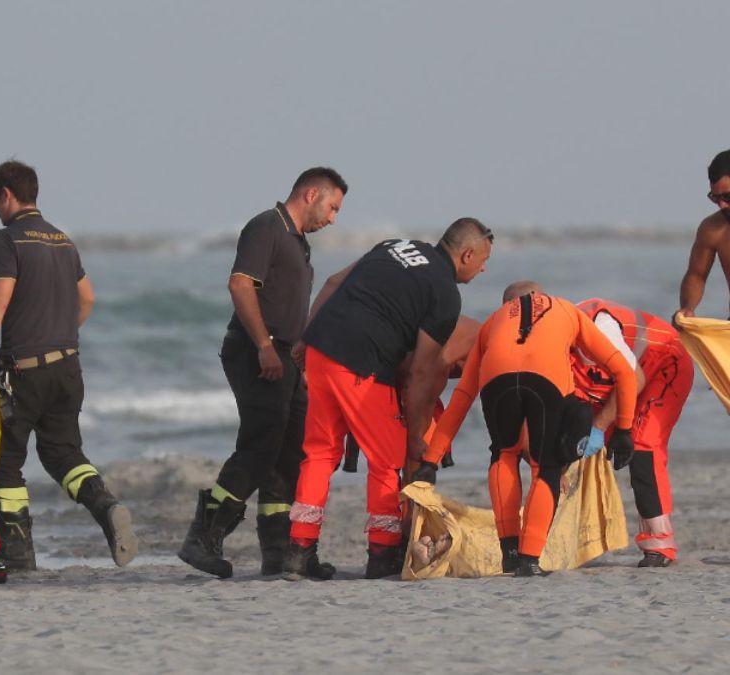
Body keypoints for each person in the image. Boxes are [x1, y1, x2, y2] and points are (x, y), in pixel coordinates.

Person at [283, 219, 493, 580]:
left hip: (320, 349)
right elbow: (424, 371)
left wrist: (307, 335)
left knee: (319, 453)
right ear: (467, 254)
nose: (483, 268)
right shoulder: (445, 294)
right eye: (483, 260)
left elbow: (334, 282)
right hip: (362, 364)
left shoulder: (394, 246)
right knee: (386, 460)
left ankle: (299, 552)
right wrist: (415, 437)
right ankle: (382, 555)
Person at [0, 159, 136, 571]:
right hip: (68, 367)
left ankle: (18, 554)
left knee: (6, 461)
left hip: (25, 371)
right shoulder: (62, 241)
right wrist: (60, 335)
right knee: (64, 454)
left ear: (6, 194)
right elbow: (87, 298)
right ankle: (105, 506)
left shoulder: (7, 240)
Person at [177, 167, 347, 579]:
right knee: (260, 444)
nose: (333, 218)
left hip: (288, 356)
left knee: (290, 455)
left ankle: (278, 552)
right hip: (255, 352)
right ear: (311, 194)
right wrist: (265, 346)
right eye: (332, 207)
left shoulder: (298, 242)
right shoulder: (266, 227)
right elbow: (239, 285)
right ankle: (203, 536)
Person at [414, 281, 638, 577]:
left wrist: (431, 460)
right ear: (538, 295)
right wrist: (623, 430)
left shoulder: (493, 323)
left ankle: (509, 554)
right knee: (547, 466)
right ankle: (529, 560)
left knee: (503, 454)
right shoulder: (566, 309)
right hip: (546, 380)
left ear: (507, 305)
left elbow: (463, 397)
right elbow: (623, 370)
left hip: (498, 379)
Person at [570, 298, 694, 567]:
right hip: (616, 379)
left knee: (641, 447)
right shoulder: (543, 340)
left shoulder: (599, 327)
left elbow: (632, 378)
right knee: (571, 445)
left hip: (664, 365)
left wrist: (616, 429)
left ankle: (660, 544)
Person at [678, 149, 730, 319]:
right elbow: (696, 275)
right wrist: (687, 308)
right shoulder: (712, 228)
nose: (721, 205)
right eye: (715, 198)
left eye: (727, 197)